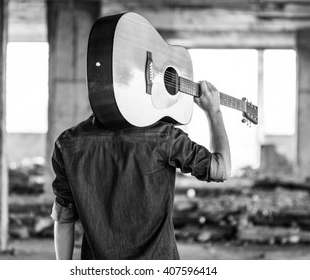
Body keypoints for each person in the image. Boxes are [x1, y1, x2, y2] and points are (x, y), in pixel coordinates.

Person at [50, 81, 231, 260]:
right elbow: (221, 169)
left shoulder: (68, 143)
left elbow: (64, 218)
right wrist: (214, 112)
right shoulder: (164, 137)